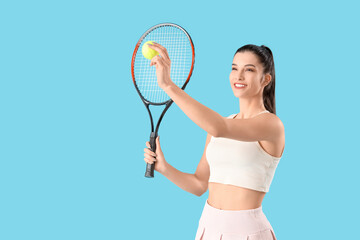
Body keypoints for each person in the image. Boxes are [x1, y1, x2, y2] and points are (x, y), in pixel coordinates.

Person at [143, 43, 285, 240]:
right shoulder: (221, 125)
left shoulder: (271, 125)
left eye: (249, 70)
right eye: (234, 68)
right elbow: (199, 184)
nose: (239, 76)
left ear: (266, 79)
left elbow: (218, 127)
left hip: (248, 232)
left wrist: (168, 85)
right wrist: (164, 168)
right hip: (207, 227)